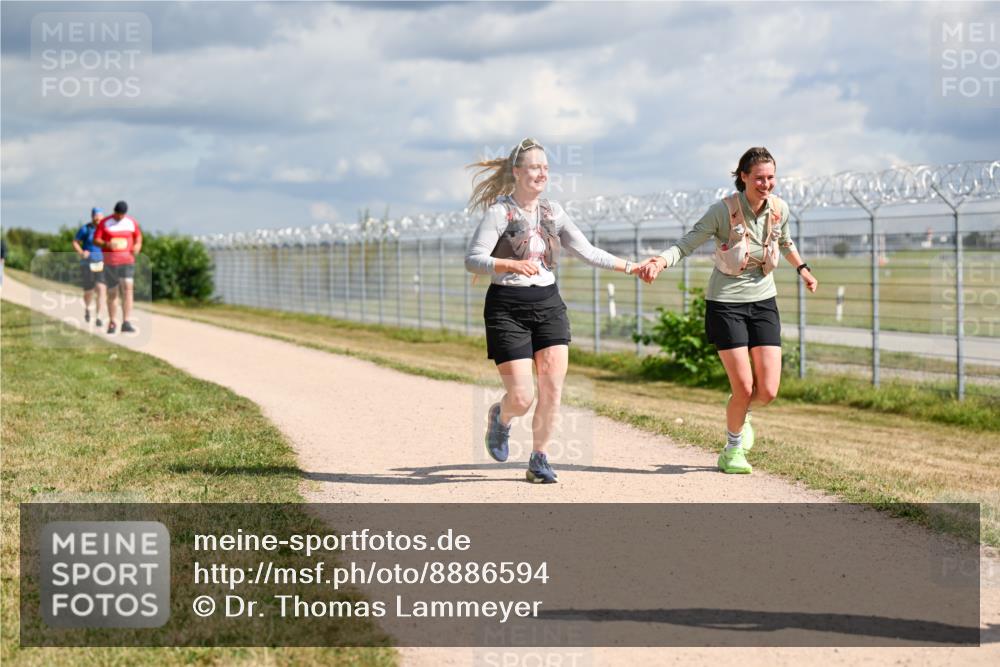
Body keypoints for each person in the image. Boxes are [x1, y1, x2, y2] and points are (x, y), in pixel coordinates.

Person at [465, 137, 643, 484]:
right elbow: (473, 261)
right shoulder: (500, 213)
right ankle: (501, 417)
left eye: (545, 168)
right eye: (534, 167)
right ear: (516, 172)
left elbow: (587, 251)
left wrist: (631, 267)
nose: (541, 173)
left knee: (552, 389)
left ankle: (539, 458)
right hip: (507, 308)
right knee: (522, 397)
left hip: (548, 304)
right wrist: (510, 266)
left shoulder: (554, 212)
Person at [638, 147, 818, 474]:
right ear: (744, 177)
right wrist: (661, 261)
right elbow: (687, 243)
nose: (766, 184)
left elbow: (786, 242)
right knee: (744, 388)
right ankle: (732, 450)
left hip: (764, 302)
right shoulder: (723, 212)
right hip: (725, 305)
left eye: (771, 177)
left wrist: (803, 269)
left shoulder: (779, 209)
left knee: (768, 391)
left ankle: (741, 412)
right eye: (759, 178)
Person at [94, 200, 143, 334]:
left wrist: (137, 246)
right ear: (114, 211)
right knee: (113, 291)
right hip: (110, 262)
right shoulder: (105, 222)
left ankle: (126, 322)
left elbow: (138, 237)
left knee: (127, 288)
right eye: (117, 214)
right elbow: (96, 240)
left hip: (127, 261)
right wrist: (107, 244)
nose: (119, 217)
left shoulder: (131, 222)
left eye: (122, 215)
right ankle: (112, 322)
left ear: (125, 214)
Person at [72, 207, 108, 327]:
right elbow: (75, 242)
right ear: (92, 217)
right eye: (95, 216)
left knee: (101, 288)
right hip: (87, 263)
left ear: (103, 217)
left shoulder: (105, 230)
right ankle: (87, 309)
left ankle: (99, 316)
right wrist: (81, 252)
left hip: (100, 262)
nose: (98, 219)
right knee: (89, 290)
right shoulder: (86, 229)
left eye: (100, 216)